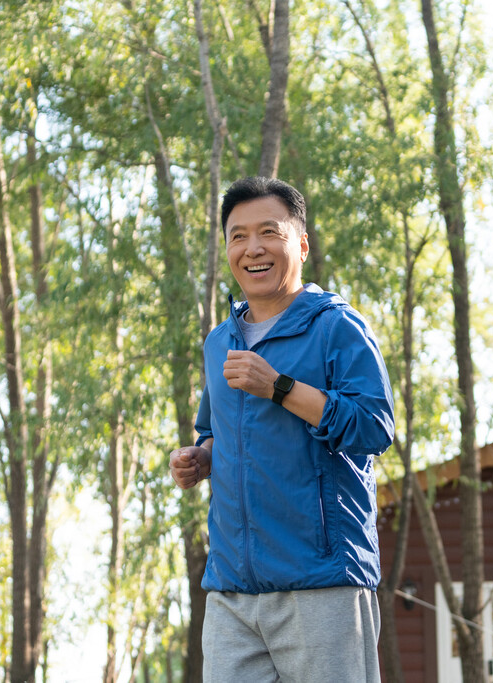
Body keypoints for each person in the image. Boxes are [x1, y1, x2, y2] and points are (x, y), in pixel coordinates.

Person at [169, 176, 394, 683]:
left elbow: (375, 427)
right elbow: (214, 432)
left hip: (322, 582)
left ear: (302, 244)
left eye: (269, 232)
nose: (253, 248)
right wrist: (201, 458)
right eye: (237, 236)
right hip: (231, 588)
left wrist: (280, 387)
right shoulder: (218, 343)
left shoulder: (338, 326)